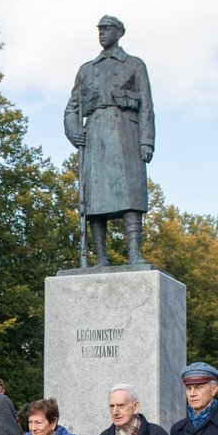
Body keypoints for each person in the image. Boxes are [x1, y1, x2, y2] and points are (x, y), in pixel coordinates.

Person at [64, 15, 155, 266]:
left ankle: (134, 252)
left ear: (119, 32)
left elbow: (146, 105)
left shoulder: (134, 65)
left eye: (107, 29)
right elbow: (71, 108)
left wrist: (146, 141)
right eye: (100, 29)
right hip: (95, 137)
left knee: (131, 194)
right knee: (94, 199)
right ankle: (100, 256)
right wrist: (74, 132)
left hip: (126, 133)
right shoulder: (87, 70)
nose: (102, 33)